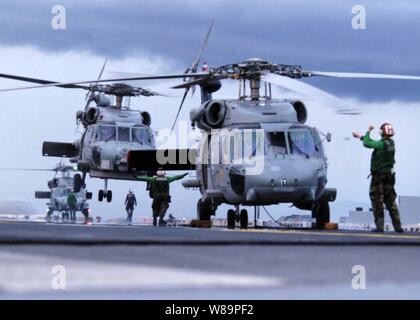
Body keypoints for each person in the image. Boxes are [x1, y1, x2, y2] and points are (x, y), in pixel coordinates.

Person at [352, 123, 404, 233]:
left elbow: (368, 143)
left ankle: (380, 226)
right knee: (391, 201)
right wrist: (361, 137)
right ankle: (398, 226)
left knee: (377, 200)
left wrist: (368, 131)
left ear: (381, 132)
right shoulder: (391, 143)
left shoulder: (382, 144)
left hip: (378, 176)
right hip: (389, 176)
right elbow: (373, 143)